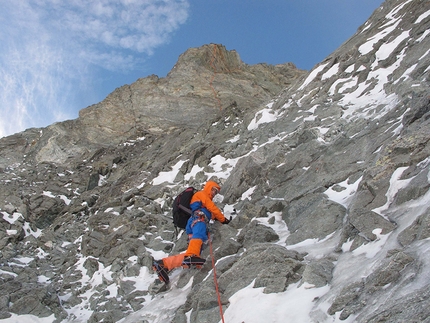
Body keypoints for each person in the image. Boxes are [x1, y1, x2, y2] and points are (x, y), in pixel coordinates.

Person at [153, 180, 230, 284]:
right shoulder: (202, 194)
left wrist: (215, 217)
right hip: (198, 218)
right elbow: (213, 208)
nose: (214, 193)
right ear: (208, 187)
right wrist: (223, 220)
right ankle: (192, 256)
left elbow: (211, 212)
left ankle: (163, 264)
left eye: (216, 192)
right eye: (213, 190)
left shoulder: (202, 200)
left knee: (191, 254)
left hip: (193, 222)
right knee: (196, 244)